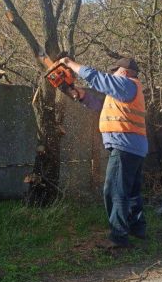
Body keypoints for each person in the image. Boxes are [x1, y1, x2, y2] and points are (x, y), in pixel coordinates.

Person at [59, 55, 148, 249]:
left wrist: (70, 64)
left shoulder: (127, 84)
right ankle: (137, 228)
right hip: (134, 146)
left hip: (125, 145)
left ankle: (118, 237)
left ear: (123, 72)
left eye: (114, 72)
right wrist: (82, 96)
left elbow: (98, 78)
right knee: (131, 191)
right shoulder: (127, 91)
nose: (112, 75)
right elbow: (101, 106)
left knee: (114, 190)